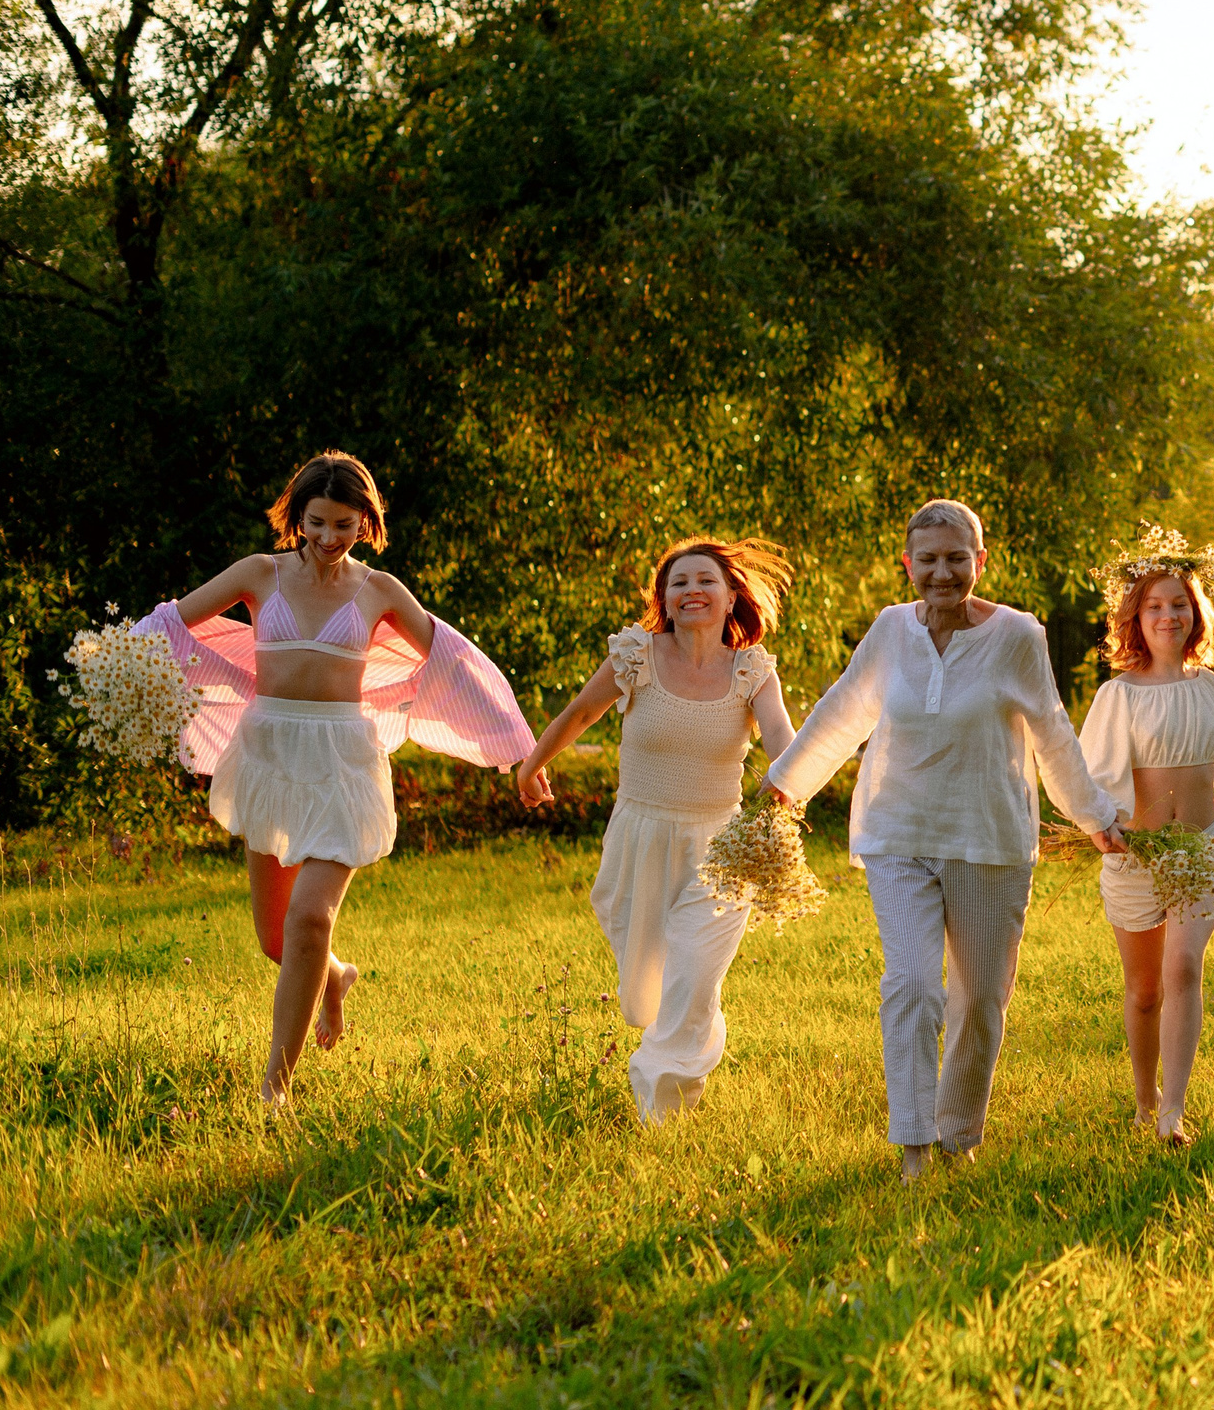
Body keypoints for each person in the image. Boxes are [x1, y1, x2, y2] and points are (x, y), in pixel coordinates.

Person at [139, 451, 534, 1105]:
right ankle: (334, 977)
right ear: (297, 516)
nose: (328, 537)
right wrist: (116, 668)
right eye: (317, 522)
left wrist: (520, 748)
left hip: (341, 764)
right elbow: (172, 623)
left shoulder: (379, 590)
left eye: (344, 524)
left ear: (365, 522)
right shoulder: (259, 573)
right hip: (270, 757)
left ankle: (275, 1087)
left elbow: (450, 658)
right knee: (276, 939)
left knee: (310, 918)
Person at [767, 499, 1121, 1181]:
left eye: (957, 558)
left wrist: (1095, 816)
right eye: (927, 559)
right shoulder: (890, 629)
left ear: (980, 561)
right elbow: (845, 708)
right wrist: (787, 782)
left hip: (988, 838)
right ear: (907, 564)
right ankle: (914, 1144)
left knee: (980, 999)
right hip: (898, 832)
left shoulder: (1018, 635)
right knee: (910, 985)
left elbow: (1052, 731)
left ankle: (958, 1134)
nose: (942, 573)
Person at [515, 538, 797, 1122]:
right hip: (640, 838)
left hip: (724, 849)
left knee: (694, 966)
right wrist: (532, 764)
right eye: (679, 583)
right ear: (664, 601)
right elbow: (581, 713)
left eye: (706, 580)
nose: (692, 590)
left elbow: (780, 739)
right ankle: (684, 1044)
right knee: (649, 990)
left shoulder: (752, 670)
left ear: (731, 597)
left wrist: (788, 781)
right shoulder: (636, 655)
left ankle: (661, 1099)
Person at [1074, 532, 1214, 1146]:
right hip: (1137, 857)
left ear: (1196, 613)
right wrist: (1101, 828)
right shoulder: (1118, 694)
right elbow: (1089, 777)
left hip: (1202, 850)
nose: (1168, 615)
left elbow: (1212, 764)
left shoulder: (1207, 685)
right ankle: (1145, 1102)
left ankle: (1173, 1111)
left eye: (1180, 603)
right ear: (1135, 618)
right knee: (1145, 991)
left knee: (1183, 968)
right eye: (1154, 606)